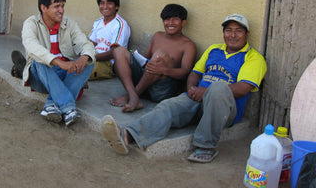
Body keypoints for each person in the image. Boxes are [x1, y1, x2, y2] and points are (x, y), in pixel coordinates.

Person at [101, 14, 267, 163]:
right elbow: (195, 73)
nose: (232, 35)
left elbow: (243, 88)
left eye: (238, 31)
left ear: (247, 34)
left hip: (223, 107)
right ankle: (129, 135)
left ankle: (205, 146)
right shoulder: (214, 49)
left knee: (218, 88)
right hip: (197, 98)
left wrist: (206, 92)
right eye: (228, 30)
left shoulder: (253, 58)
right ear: (223, 33)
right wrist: (192, 88)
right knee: (168, 106)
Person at [12, 0, 96, 127]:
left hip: (64, 74)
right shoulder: (31, 23)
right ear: (43, 8)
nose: (61, 10)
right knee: (39, 59)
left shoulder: (69, 23)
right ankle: (68, 108)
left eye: (62, 6)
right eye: (57, 6)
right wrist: (58, 62)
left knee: (89, 62)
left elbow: (85, 43)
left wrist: (84, 56)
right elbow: (31, 45)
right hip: (42, 77)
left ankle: (51, 106)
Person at [109, 4, 197, 112]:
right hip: (145, 82)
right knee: (119, 51)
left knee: (160, 54)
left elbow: (185, 72)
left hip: (161, 91)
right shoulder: (157, 36)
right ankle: (134, 96)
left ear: (183, 22)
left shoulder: (188, 45)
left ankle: (131, 96)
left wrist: (164, 70)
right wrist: (134, 56)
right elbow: (145, 60)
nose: (170, 23)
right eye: (167, 19)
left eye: (175, 20)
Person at [88, 0, 131, 80]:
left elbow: (113, 53)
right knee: (70, 65)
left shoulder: (120, 24)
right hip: (95, 56)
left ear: (116, 7)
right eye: (102, 3)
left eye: (109, 3)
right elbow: (91, 43)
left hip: (108, 63)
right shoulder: (98, 22)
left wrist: (90, 58)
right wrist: (85, 54)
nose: (105, 7)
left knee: (79, 72)